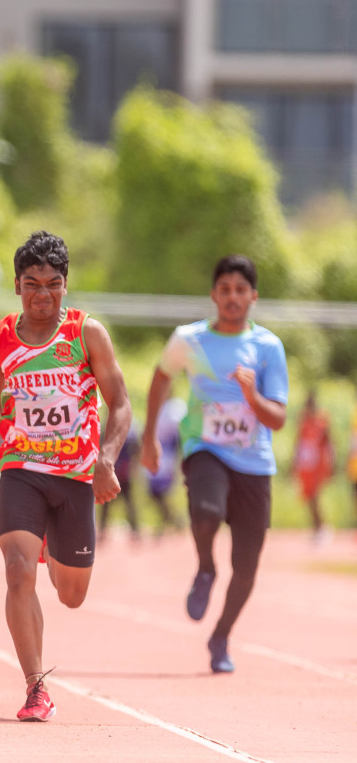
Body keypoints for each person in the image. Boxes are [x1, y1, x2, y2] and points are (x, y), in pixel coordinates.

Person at [0, 231, 132, 723]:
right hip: (21, 470)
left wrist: (107, 460)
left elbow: (120, 402)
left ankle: (53, 545)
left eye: (53, 284)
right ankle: (35, 688)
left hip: (75, 477)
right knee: (16, 569)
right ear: (16, 285)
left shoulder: (85, 334)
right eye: (32, 284)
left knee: (72, 596)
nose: (43, 295)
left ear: (65, 286)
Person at [141, 254, 287, 675]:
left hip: (254, 464)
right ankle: (205, 566)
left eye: (241, 290)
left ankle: (221, 635)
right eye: (224, 289)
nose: (232, 297)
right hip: (205, 449)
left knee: (246, 568)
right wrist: (150, 435)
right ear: (213, 295)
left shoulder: (267, 347)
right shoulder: (189, 339)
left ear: (253, 297)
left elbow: (276, 418)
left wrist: (252, 394)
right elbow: (161, 377)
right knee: (206, 513)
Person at [292, 393, 335, 543]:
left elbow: (329, 443)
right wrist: (295, 464)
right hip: (306, 466)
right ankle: (316, 527)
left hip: (318, 465)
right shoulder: (303, 421)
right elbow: (298, 443)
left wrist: (331, 463)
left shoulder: (322, 420)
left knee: (315, 497)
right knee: (309, 497)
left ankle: (322, 528)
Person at [145, 396, 186, 536]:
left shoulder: (174, 408)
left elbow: (179, 435)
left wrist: (181, 457)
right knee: (153, 493)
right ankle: (172, 520)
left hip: (168, 456)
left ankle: (172, 521)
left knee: (162, 491)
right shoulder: (156, 407)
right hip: (155, 454)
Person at [99, 426, 142, 543]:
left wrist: (134, 467)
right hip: (112, 472)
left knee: (129, 504)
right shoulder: (106, 428)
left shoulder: (131, 431)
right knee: (106, 502)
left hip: (124, 473)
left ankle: (135, 531)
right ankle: (103, 530)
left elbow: (136, 451)